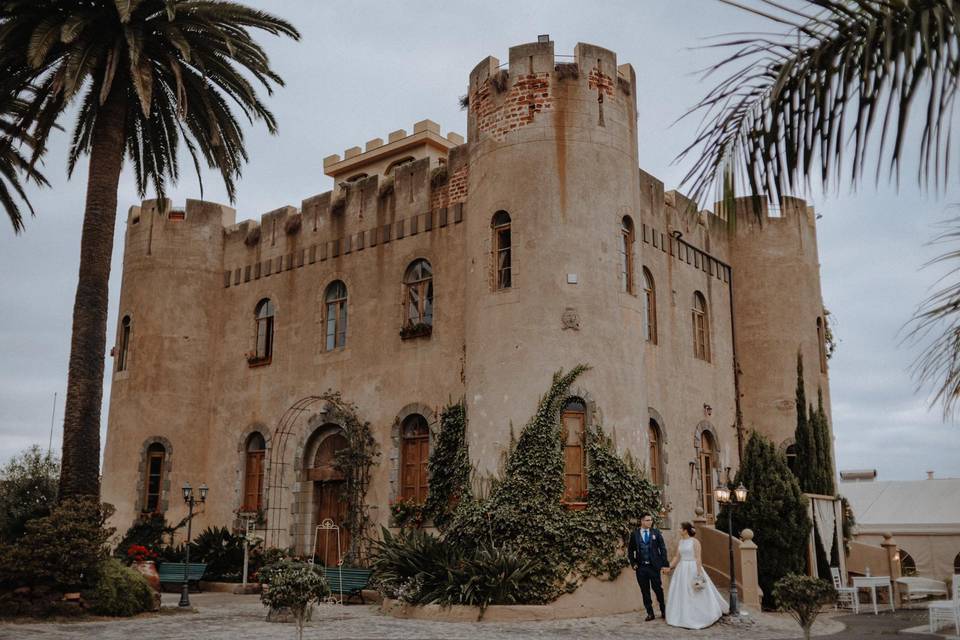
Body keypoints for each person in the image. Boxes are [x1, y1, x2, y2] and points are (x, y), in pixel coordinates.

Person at [661, 521, 729, 629]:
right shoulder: (681, 542)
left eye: (680, 528)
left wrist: (698, 573)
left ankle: (700, 616)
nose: (679, 530)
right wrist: (669, 567)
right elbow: (676, 557)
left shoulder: (695, 542)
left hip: (692, 568)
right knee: (682, 592)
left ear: (685, 530)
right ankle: (681, 616)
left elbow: (698, 558)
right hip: (681, 569)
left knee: (695, 591)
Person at [627, 512, 668, 621]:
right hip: (641, 568)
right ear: (642, 521)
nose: (650, 522)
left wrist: (664, 564)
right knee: (645, 591)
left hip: (654, 567)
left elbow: (663, 549)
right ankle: (650, 613)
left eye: (651, 520)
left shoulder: (656, 533)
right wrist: (634, 563)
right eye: (647, 520)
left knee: (658, 589)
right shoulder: (634, 534)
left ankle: (664, 611)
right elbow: (630, 551)